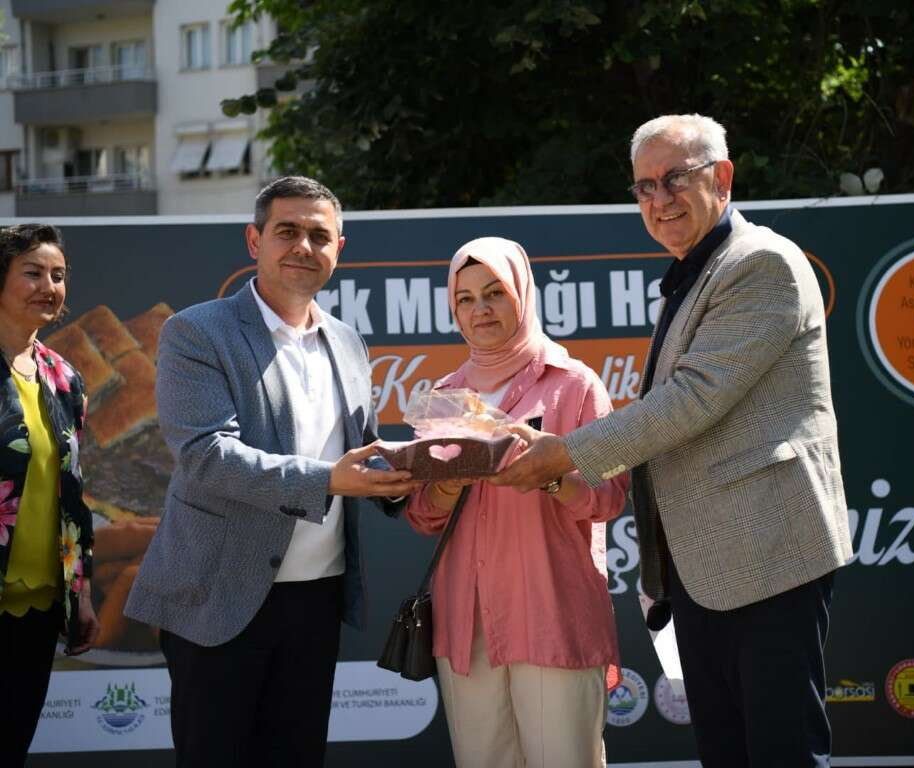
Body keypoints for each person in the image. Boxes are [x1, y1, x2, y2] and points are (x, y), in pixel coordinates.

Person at [493, 114, 853, 767]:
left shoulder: (761, 262)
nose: (659, 199)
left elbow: (693, 399)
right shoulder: (697, 272)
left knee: (782, 752)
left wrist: (564, 452)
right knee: (727, 753)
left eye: (675, 178)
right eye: (644, 186)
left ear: (723, 177)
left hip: (766, 554)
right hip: (704, 566)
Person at [124, 176, 419, 767]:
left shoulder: (348, 342)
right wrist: (329, 480)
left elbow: (359, 452)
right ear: (254, 240)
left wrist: (416, 473)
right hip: (219, 597)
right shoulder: (196, 331)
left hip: (316, 601)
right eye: (287, 231)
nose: (303, 247)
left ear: (339, 248)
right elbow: (207, 455)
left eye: (319, 236)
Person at [403, 237, 627, 768]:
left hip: (551, 612)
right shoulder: (445, 396)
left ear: (521, 294)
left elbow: (610, 497)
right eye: (465, 298)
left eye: (495, 292)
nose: (480, 309)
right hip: (466, 622)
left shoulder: (574, 384)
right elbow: (422, 514)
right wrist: (449, 483)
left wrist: (549, 477)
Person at [0, 223, 100, 767]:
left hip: (39, 609)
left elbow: (73, 497)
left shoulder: (65, 378)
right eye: (33, 273)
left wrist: (80, 594)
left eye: (58, 276)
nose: (49, 286)